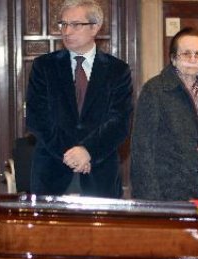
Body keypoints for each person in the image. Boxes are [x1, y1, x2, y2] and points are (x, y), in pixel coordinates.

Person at [26, 0, 133, 198]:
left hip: (99, 174)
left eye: (75, 25)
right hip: (52, 173)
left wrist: (87, 151)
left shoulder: (117, 70)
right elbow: (37, 118)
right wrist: (72, 155)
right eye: (63, 24)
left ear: (95, 27)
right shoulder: (44, 66)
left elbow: (119, 123)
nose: (67, 31)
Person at [130, 27, 198, 201]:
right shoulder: (155, 91)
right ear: (173, 58)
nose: (192, 59)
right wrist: (149, 200)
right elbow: (142, 150)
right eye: (186, 54)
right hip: (167, 193)